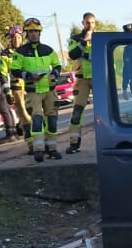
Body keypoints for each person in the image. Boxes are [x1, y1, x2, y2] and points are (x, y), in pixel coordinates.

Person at [10, 17, 62, 161]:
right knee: (37, 120)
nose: (34, 34)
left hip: (49, 90)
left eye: (36, 31)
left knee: (52, 120)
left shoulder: (48, 49)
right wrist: (28, 75)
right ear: (27, 33)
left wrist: (55, 73)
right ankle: (39, 150)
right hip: (33, 92)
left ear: (40, 33)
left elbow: (57, 65)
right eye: (31, 31)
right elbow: (14, 70)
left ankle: (52, 149)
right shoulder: (20, 52)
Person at [66, 12, 96, 154]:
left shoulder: (99, 38)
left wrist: (86, 55)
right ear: (83, 23)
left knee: (105, 110)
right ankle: (74, 143)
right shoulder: (75, 38)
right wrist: (84, 42)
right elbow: (72, 55)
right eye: (87, 22)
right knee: (77, 111)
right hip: (82, 79)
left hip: (98, 78)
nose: (90, 25)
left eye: (92, 22)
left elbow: (102, 55)